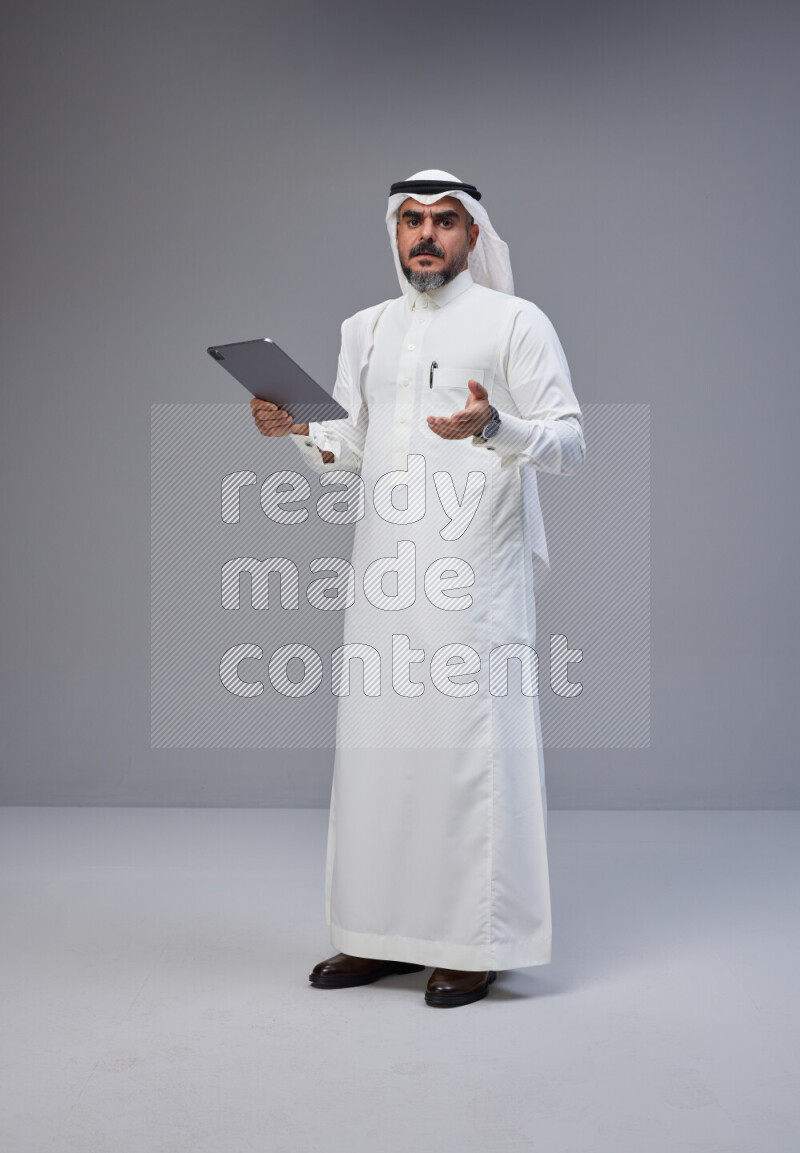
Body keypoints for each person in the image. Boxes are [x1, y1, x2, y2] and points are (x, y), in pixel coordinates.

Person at [251, 169, 585, 1008]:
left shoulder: (515, 321)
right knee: (379, 753)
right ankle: (374, 935)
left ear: (473, 234)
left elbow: (572, 443)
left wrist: (495, 424)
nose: (425, 235)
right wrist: (297, 428)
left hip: (476, 571)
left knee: (469, 755)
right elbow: (352, 447)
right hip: (384, 572)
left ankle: (473, 943)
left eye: (443, 220)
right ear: (394, 233)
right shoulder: (364, 328)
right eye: (411, 221)